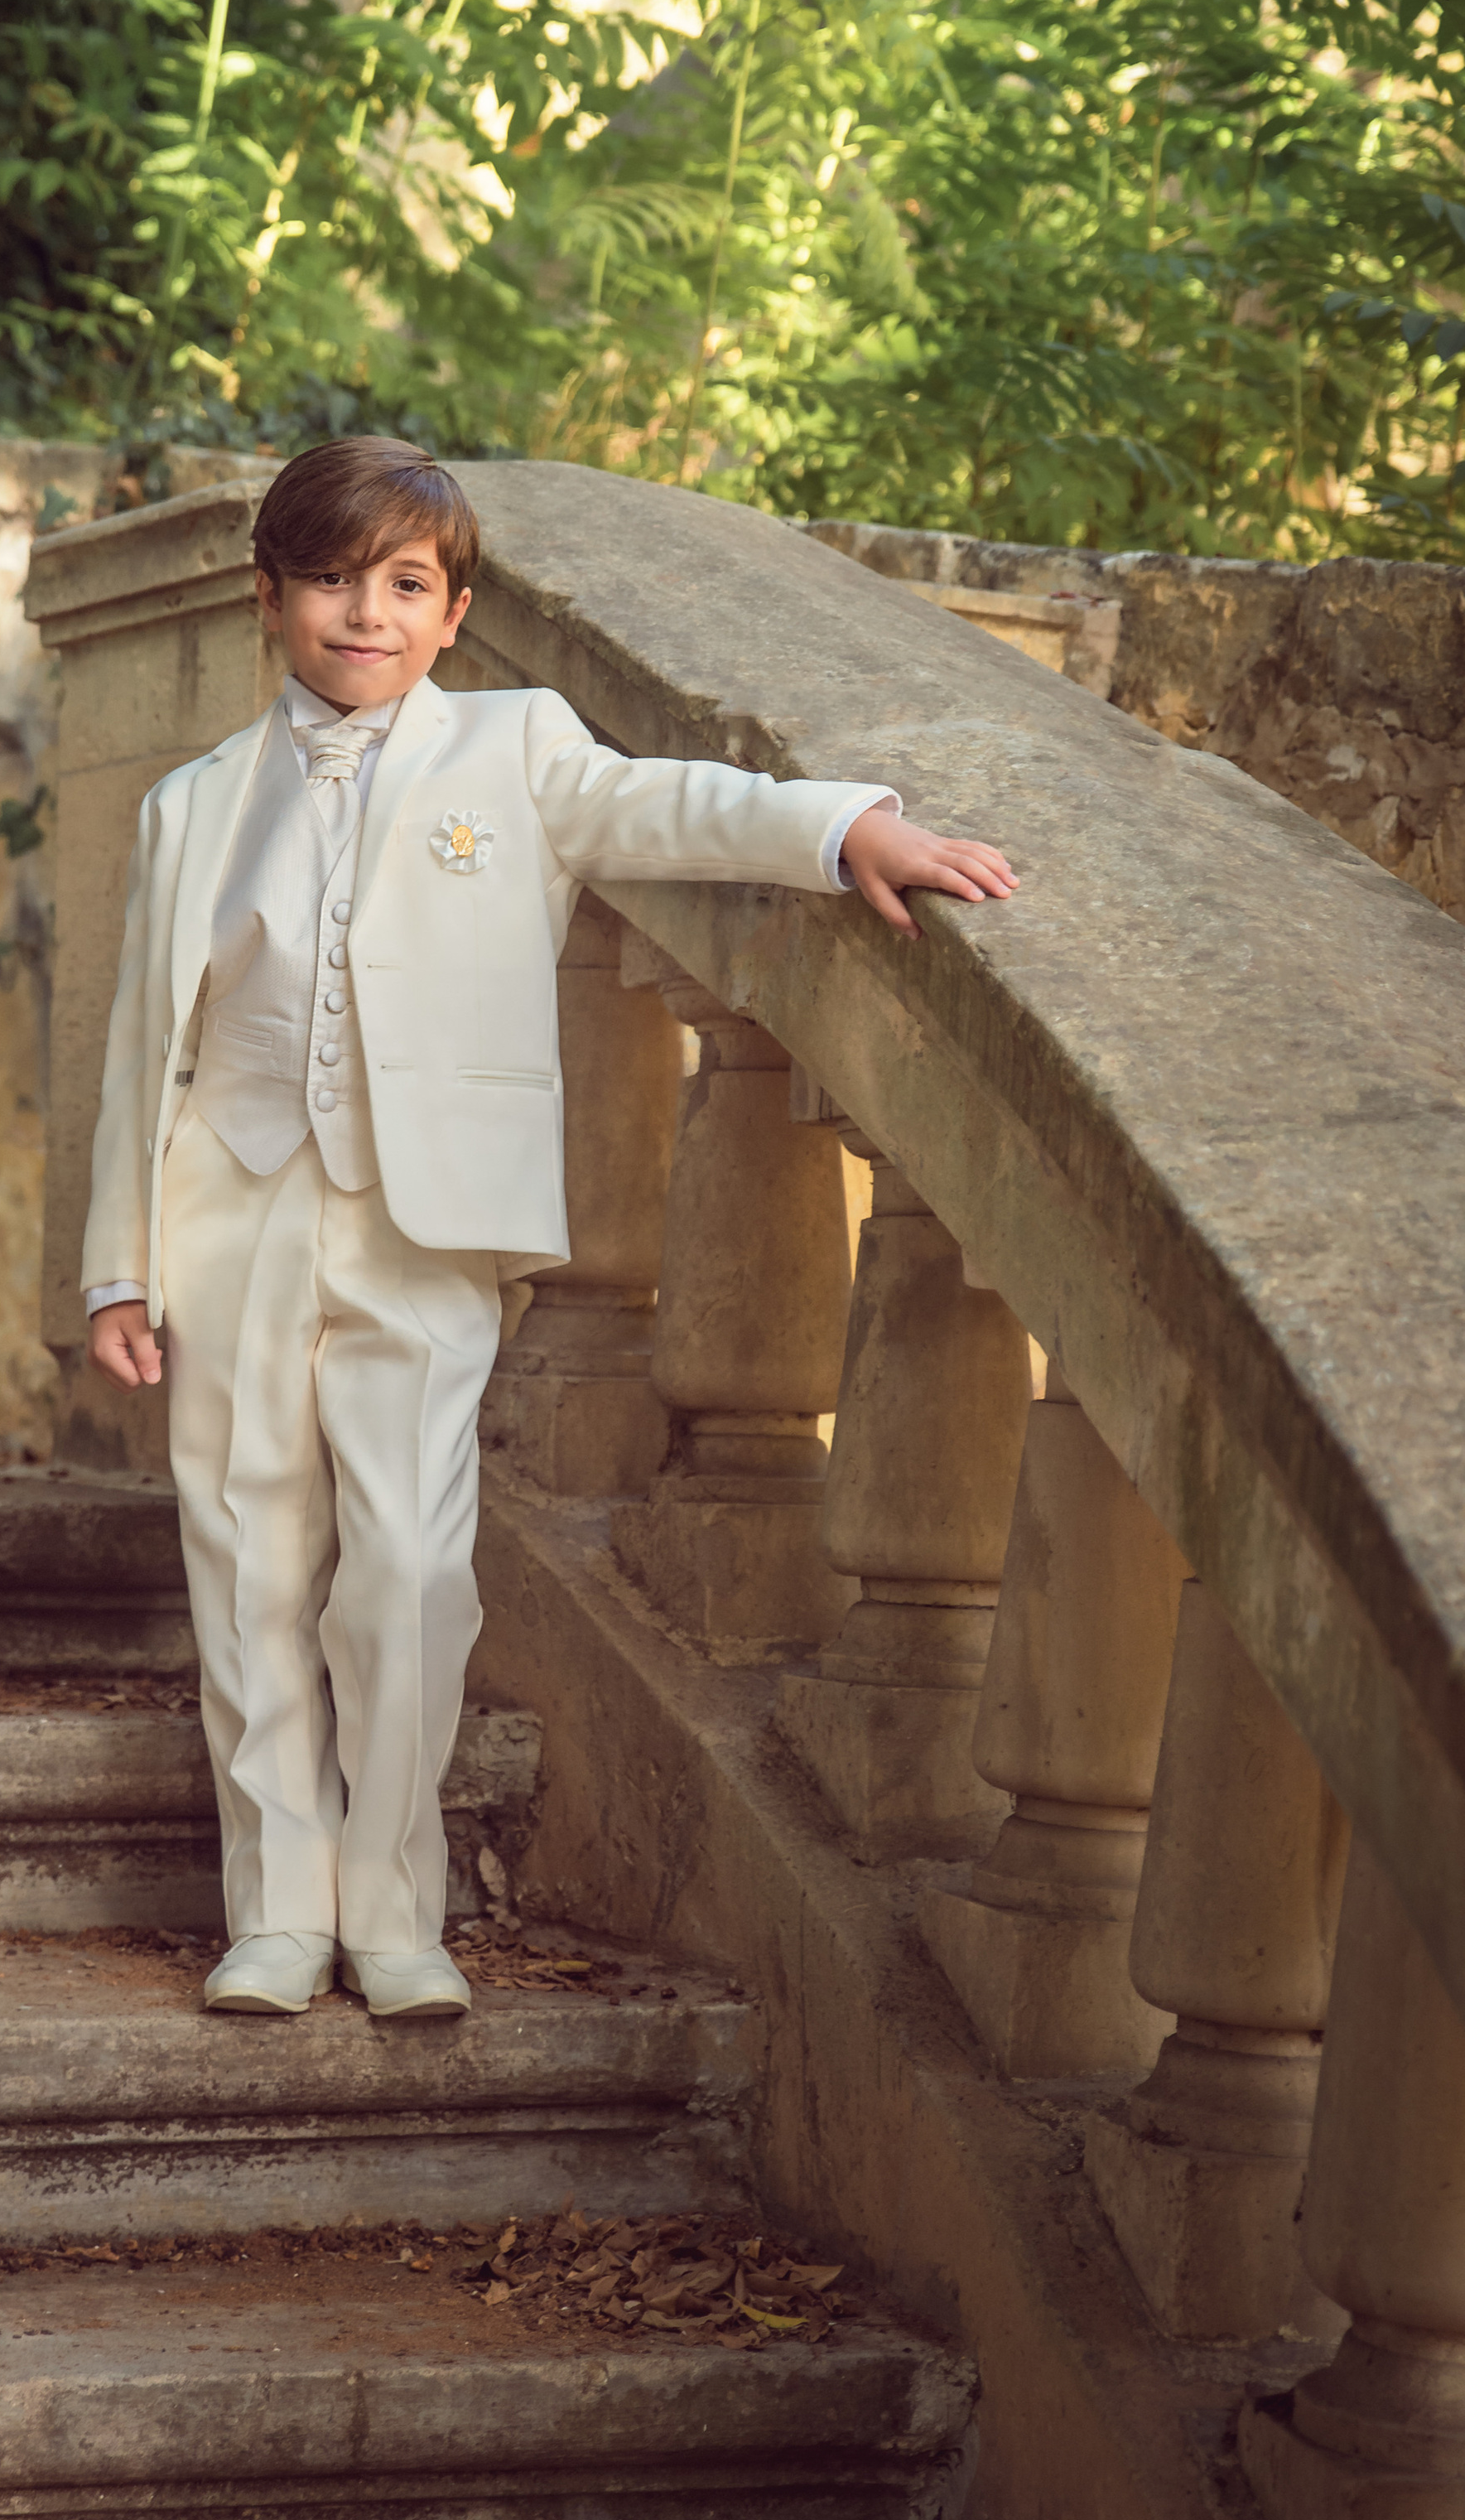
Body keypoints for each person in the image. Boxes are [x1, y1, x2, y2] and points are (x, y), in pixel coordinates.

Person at [80, 436, 1014, 2022]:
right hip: (231, 1211)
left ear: (454, 614)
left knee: (410, 1573)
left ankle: (392, 1908)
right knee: (245, 1561)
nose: (361, 614)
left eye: (402, 585)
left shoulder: (516, 751)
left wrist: (843, 825)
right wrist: (119, 1262)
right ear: (269, 596)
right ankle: (277, 1912)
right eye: (327, 578)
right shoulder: (189, 806)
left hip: (426, 1225)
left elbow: (670, 805)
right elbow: (140, 1050)